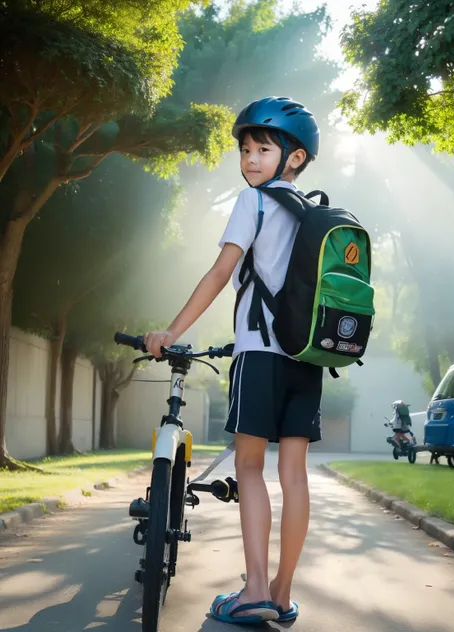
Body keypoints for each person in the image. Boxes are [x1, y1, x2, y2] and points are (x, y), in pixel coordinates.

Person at [145, 97, 323, 625]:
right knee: (294, 475)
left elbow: (222, 272)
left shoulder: (256, 204)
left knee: (249, 468)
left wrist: (172, 331)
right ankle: (283, 596)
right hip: (307, 360)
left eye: (263, 149)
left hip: (260, 355)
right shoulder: (313, 213)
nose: (250, 159)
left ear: (293, 158)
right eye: (246, 150)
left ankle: (255, 591)